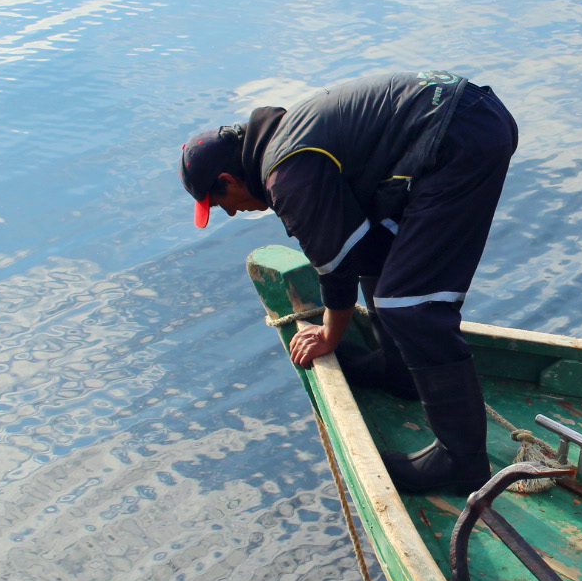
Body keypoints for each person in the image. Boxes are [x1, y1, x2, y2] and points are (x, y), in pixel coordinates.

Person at [179, 70, 517, 494]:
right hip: (463, 119)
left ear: (228, 179)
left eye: (220, 203)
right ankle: (400, 370)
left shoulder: (286, 173)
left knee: (413, 307)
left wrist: (329, 335)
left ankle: (461, 463)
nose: (229, 213)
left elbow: (334, 265)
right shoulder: (284, 140)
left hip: (458, 137)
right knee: (380, 250)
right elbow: (356, 247)